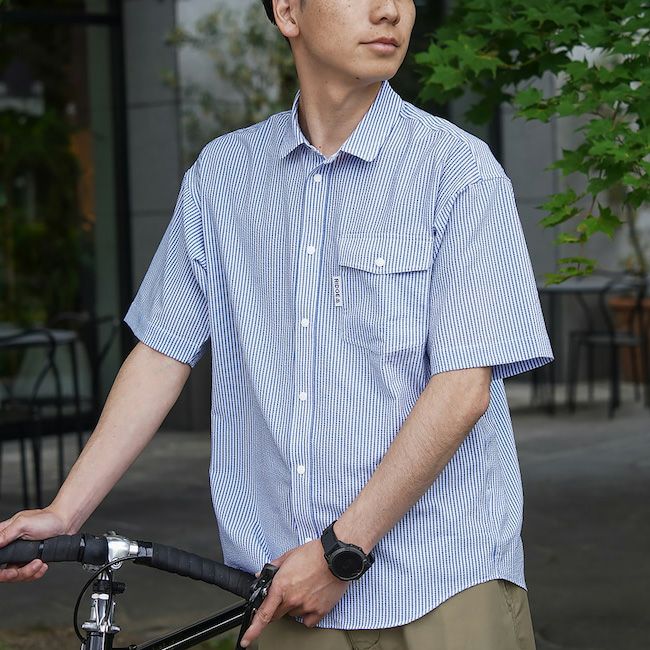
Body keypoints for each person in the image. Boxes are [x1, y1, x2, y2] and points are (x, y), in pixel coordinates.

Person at [0, 1, 553, 648]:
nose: (389, 11)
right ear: (288, 12)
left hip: (443, 585)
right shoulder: (222, 179)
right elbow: (160, 355)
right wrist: (65, 512)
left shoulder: (459, 173)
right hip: (286, 588)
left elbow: (462, 391)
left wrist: (341, 550)